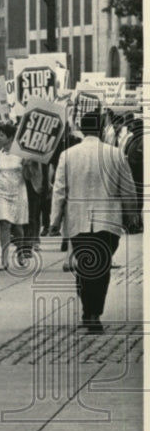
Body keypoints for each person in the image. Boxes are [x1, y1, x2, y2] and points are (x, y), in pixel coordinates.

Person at [51, 111, 139, 333]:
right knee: (102, 266)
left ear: (81, 128)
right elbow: (127, 188)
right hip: (107, 222)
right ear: (101, 129)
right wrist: (131, 217)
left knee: (85, 265)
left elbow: (59, 190)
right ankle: (94, 313)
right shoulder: (115, 154)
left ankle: (88, 310)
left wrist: (54, 220)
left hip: (78, 221)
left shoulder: (68, 155)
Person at [0, 124, 29, 270]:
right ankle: (4, 259)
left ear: (10, 137)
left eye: (1, 135)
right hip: (1, 191)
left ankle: (20, 252)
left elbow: (27, 177)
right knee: (4, 224)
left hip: (18, 190)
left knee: (18, 226)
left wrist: (26, 166)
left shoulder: (21, 153)